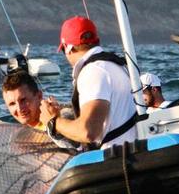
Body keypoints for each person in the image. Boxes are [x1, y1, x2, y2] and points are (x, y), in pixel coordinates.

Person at [39, 16, 138, 149]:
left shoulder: (93, 72)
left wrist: (52, 121)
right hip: (134, 149)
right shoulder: (116, 65)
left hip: (120, 159)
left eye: (63, 50)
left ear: (69, 48)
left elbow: (88, 131)